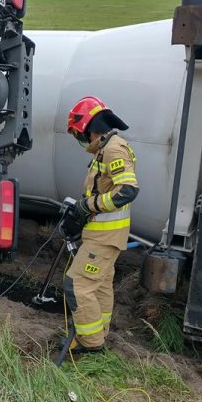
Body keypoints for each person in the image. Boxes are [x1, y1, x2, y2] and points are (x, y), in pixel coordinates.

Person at [61, 96, 140, 353]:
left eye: (79, 133)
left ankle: (90, 343)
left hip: (106, 237)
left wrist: (89, 206)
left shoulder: (114, 150)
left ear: (90, 127)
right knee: (101, 286)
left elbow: (127, 190)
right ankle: (99, 334)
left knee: (77, 284)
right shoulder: (104, 150)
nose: (80, 140)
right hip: (102, 235)